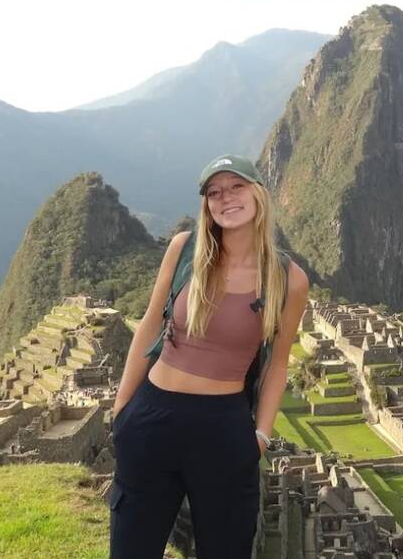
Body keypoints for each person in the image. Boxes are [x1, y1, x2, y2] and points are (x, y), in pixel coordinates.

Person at [108, 154, 309, 559]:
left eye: (237, 186)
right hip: (152, 417)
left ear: (258, 193)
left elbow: (277, 363)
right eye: (215, 192)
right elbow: (150, 323)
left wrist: (260, 437)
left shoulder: (288, 279)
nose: (226, 198)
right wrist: (123, 408)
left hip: (223, 428)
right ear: (206, 204)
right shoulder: (185, 250)